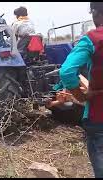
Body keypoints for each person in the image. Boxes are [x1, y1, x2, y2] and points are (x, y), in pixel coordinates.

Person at [59, 2, 103, 178]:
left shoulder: (93, 38)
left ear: (95, 12)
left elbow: (67, 71)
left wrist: (81, 96)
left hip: (99, 116)